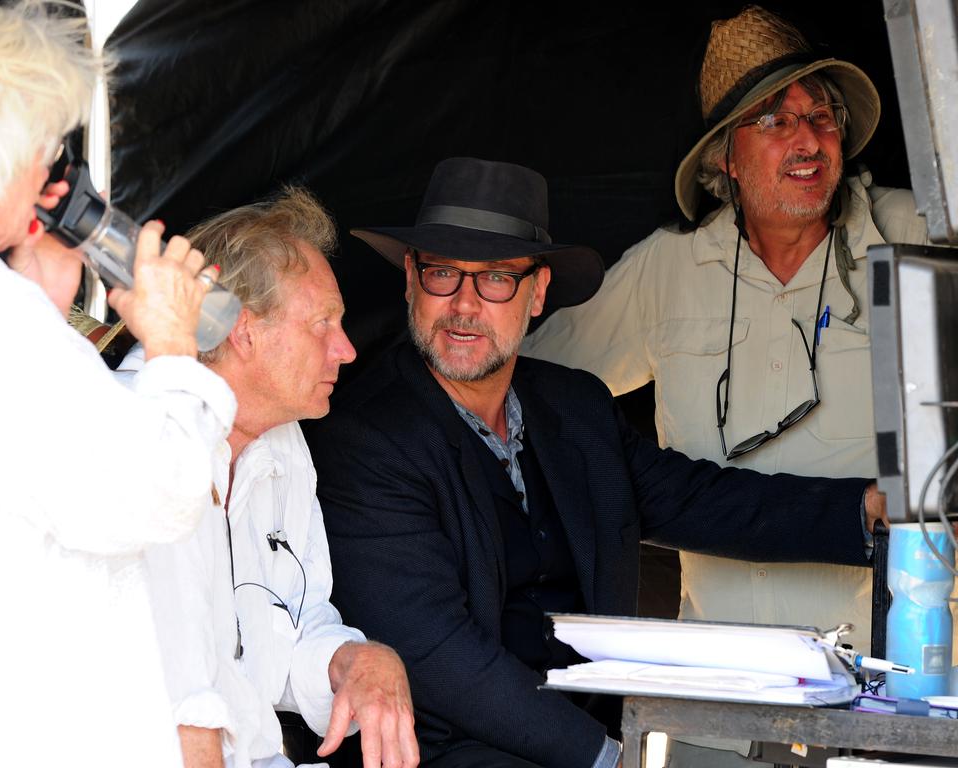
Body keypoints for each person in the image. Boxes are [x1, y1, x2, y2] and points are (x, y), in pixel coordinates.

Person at [304, 156, 888, 768]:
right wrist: (610, 758)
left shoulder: (574, 407)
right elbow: (441, 658)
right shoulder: (366, 438)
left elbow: (698, 500)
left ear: (538, 293)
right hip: (450, 751)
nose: (464, 304)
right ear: (409, 282)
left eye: (497, 277)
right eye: (443, 274)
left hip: (595, 738)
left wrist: (866, 510)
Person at [520, 7, 928, 764]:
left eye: (821, 115)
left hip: (889, 697)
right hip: (714, 705)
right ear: (726, 160)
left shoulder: (908, 236)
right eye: (774, 120)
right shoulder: (669, 270)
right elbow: (529, 386)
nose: (808, 140)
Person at [0, 2, 235, 767]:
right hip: (20, 727)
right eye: (45, 150)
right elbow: (155, 494)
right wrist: (170, 347)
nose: (51, 178)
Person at [118, 189, 419, 768]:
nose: (347, 349)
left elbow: (293, 624)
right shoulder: (139, 435)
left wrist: (351, 659)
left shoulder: (282, 445)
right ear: (244, 331)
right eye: (323, 323)